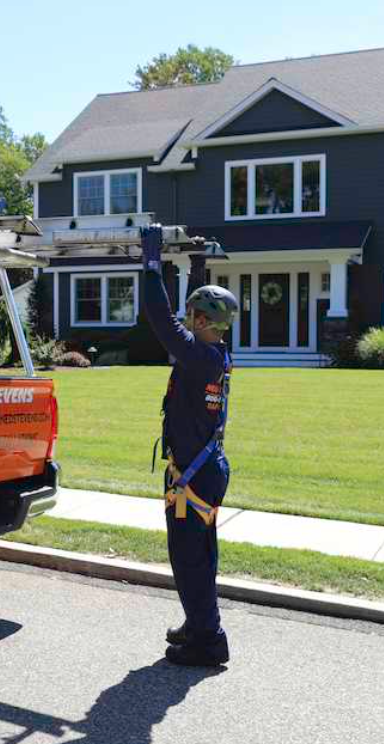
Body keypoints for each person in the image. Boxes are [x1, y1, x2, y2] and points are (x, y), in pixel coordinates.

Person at [139, 225, 239, 667]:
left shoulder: (198, 357)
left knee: (189, 561)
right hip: (207, 468)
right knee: (200, 556)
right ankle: (199, 625)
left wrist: (151, 263)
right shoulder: (214, 353)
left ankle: (209, 639)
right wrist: (196, 264)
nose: (184, 318)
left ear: (201, 321)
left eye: (190, 314)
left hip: (192, 476)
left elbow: (159, 319)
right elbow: (177, 323)